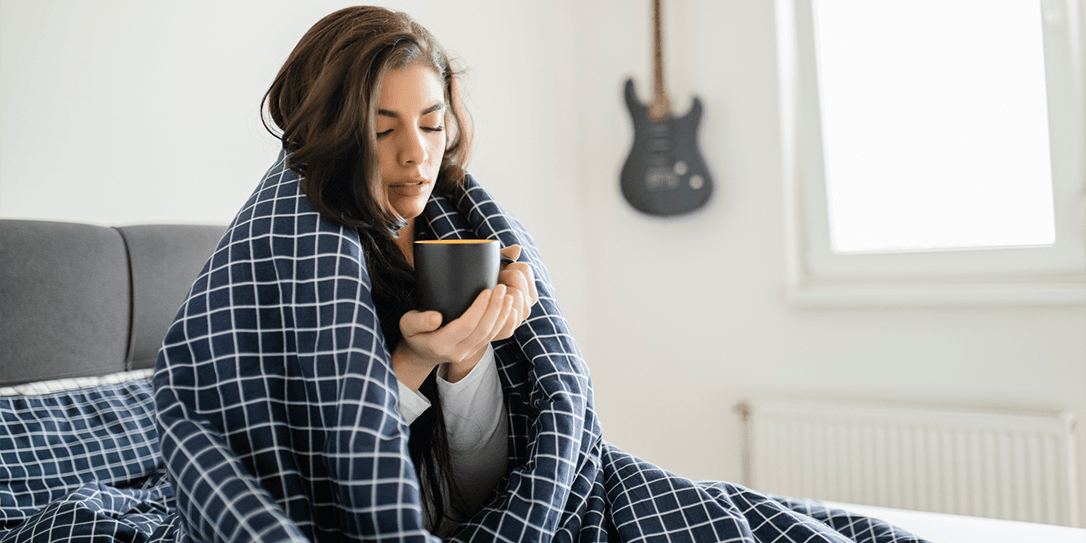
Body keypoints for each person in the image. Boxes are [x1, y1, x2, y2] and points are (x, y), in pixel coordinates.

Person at [155, 6, 928, 542]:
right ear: (329, 133)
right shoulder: (271, 263)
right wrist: (412, 363)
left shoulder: (462, 232)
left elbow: (486, 486)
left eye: (431, 124)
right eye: (382, 129)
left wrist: (471, 357)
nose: (416, 155)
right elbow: (314, 477)